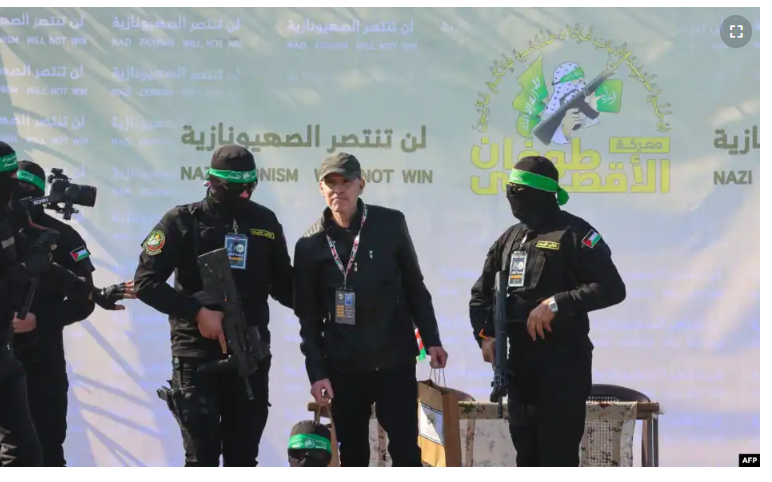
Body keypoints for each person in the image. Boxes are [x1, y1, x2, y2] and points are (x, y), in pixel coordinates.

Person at [0, 140, 131, 467]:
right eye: (11, 183)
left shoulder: (0, 220)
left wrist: (94, 294)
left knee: (31, 453)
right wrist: (25, 269)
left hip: (9, 355)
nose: (16, 192)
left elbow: (44, 267)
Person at [133, 145, 293, 467]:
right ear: (211, 181)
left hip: (249, 354)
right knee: (201, 459)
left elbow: (284, 286)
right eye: (234, 188)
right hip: (197, 356)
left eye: (249, 187)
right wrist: (196, 312)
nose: (243, 195)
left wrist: (326, 303)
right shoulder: (181, 221)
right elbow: (145, 283)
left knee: (243, 459)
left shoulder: (264, 221)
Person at [468, 156, 627, 467]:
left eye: (517, 190)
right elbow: (481, 296)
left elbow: (612, 287)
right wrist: (485, 337)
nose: (511, 195)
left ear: (539, 193)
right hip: (519, 365)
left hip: (563, 365)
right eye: (509, 188)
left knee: (558, 456)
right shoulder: (510, 238)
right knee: (526, 456)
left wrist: (556, 303)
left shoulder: (576, 233)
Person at [293, 152, 448, 467]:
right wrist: (317, 373)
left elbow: (415, 287)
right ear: (321, 188)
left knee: (406, 450)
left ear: (361, 185)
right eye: (331, 182)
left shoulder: (390, 224)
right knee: (352, 456)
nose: (338, 189)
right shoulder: (309, 245)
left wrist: (432, 339)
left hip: (394, 360)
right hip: (344, 366)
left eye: (346, 182)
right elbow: (308, 318)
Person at [4, 159, 134, 467]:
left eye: (29, 192)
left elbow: (84, 299)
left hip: (42, 357)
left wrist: (38, 321)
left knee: (47, 443)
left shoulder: (65, 237)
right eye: (16, 190)